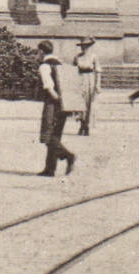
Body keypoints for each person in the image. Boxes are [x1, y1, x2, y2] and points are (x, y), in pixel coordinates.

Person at [36, 42, 79, 176]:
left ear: (41, 52)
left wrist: (56, 100)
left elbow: (49, 87)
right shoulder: (61, 64)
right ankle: (50, 169)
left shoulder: (44, 66)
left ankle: (68, 156)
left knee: (48, 136)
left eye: (38, 52)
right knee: (56, 136)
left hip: (52, 103)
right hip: (64, 104)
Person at [73, 37, 100, 135]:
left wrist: (97, 84)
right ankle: (82, 124)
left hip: (90, 79)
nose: (84, 48)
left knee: (89, 103)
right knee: (80, 103)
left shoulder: (93, 57)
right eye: (82, 46)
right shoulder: (77, 57)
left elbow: (98, 71)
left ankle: (86, 125)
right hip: (80, 79)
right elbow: (73, 69)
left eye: (86, 46)